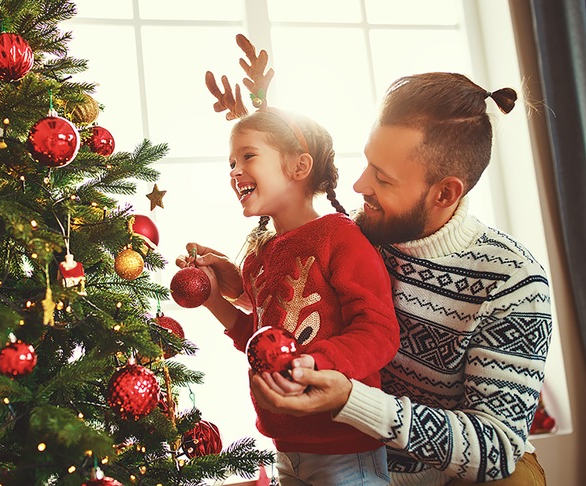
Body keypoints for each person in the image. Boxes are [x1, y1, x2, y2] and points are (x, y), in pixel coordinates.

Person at [198, 72, 550, 485]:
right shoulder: (357, 234)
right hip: (325, 454)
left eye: (382, 178)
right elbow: (302, 313)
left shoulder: (512, 283)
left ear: (444, 194)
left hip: (434, 467)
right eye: (367, 162)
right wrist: (238, 290)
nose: (358, 184)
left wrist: (354, 401)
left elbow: (496, 447)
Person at [178, 105, 400, 485]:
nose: (233, 171)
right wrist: (213, 296)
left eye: (248, 156)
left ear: (299, 167)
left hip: (346, 452)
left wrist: (313, 364)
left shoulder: (338, 238)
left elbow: (379, 332)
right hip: (286, 449)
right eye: (231, 162)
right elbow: (258, 338)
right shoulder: (259, 257)